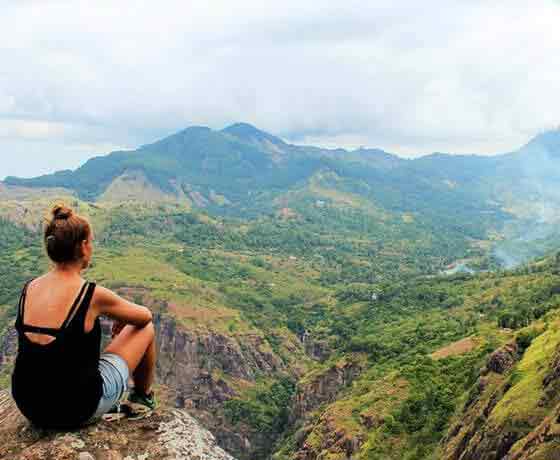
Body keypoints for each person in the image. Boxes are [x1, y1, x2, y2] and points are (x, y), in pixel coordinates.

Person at [11, 204, 157, 428]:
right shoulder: (90, 294)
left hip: (29, 406)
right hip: (76, 409)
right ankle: (142, 398)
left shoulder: (29, 288)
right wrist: (123, 318)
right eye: (91, 242)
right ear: (83, 246)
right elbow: (144, 317)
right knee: (145, 329)